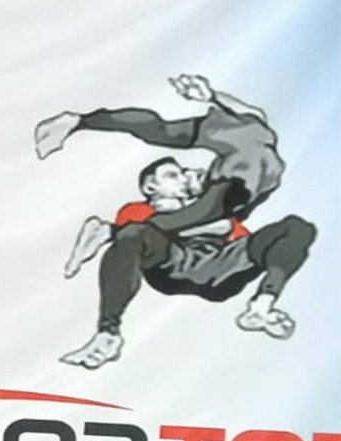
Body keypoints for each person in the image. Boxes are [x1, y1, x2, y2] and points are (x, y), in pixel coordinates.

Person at [36, 74, 315, 368]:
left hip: (223, 264)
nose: (183, 177)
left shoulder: (216, 187)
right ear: (150, 187)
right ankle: (108, 334)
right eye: (172, 175)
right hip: (175, 265)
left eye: (183, 173)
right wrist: (81, 121)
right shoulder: (137, 211)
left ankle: (262, 305)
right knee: (134, 232)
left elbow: (234, 230)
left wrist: (211, 96)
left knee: (295, 228)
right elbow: (156, 129)